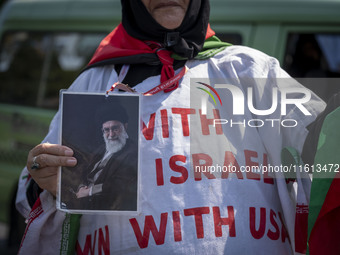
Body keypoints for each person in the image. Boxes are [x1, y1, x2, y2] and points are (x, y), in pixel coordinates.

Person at [16, 0, 326, 254]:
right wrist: (42, 178)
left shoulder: (249, 69)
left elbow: (323, 144)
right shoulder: (92, 85)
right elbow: (31, 190)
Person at [62, 101, 138, 211]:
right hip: (82, 199)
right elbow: (86, 171)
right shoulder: (102, 149)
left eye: (115, 128)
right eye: (107, 130)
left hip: (104, 205)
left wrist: (90, 191)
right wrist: (80, 187)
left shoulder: (132, 152)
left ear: (125, 127)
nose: (111, 135)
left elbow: (119, 185)